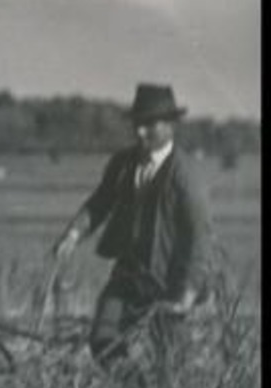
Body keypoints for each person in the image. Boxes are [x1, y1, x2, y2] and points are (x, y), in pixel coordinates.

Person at [52, 83, 212, 367]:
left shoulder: (186, 174)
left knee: (172, 365)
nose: (140, 132)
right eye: (138, 124)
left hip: (169, 284)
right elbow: (99, 203)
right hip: (128, 276)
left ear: (170, 125)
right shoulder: (122, 164)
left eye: (149, 124)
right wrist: (73, 235)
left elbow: (199, 239)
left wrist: (186, 295)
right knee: (103, 341)